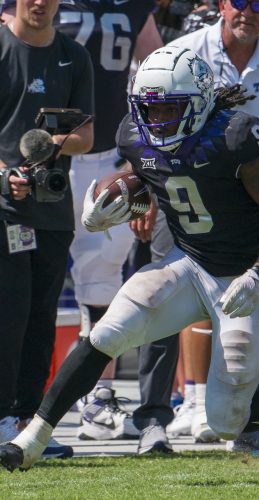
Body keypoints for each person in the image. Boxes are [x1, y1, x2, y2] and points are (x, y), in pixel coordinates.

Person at [0, 46, 259, 473]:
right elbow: (146, 176)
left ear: (201, 102)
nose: (158, 120)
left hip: (243, 273)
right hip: (188, 261)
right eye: (149, 109)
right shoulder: (134, 133)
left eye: (170, 109)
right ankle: (31, 440)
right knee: (107, 331)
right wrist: (111, 199)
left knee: (226, 421)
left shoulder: (236, 136)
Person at [151, 0, 259, 452]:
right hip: (180, 192)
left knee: (248, 305)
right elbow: (144, 126)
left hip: (249, 203)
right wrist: (143, 195)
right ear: (221, 4)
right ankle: (167, 409)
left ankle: (248, 420)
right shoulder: (183, 52)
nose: (248, 11)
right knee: (160, 299)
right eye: (238, 1)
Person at [53, 0, 167, 455]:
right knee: (28, 277)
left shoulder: (134, 4)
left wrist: (137, 155)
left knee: (103, 279)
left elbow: (157, 70)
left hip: (108, 155)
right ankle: (18, 400)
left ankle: (95, 396)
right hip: (49, 151)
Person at [0, 0, 94, 459]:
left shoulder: (75, 56)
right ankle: (0, 417)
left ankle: (28, 422)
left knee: (41, 320)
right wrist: (6, 175)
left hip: (54, 211)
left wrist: (48, 145)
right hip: (5, 208)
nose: (39, 3)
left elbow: (88, 136)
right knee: (8, 315)